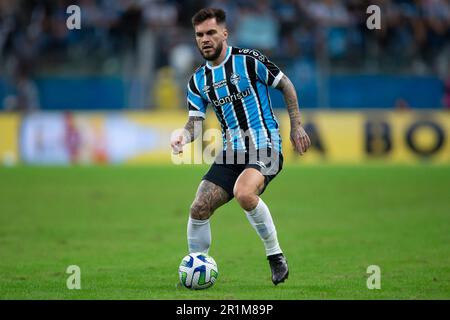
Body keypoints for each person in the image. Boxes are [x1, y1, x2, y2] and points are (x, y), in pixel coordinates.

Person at [170, 8, 311, 285]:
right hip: (232, 152)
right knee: (198, 208)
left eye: (211, 32)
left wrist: (296, 125)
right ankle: (196, 269)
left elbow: (286, 85)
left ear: (224, 33)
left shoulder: (249, 61)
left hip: (265, 147)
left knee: (244, 193)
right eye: (199, 35)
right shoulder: (198, 81)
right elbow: (195, 123)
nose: (205, 39)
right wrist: (182, 138)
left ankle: (275, 256)